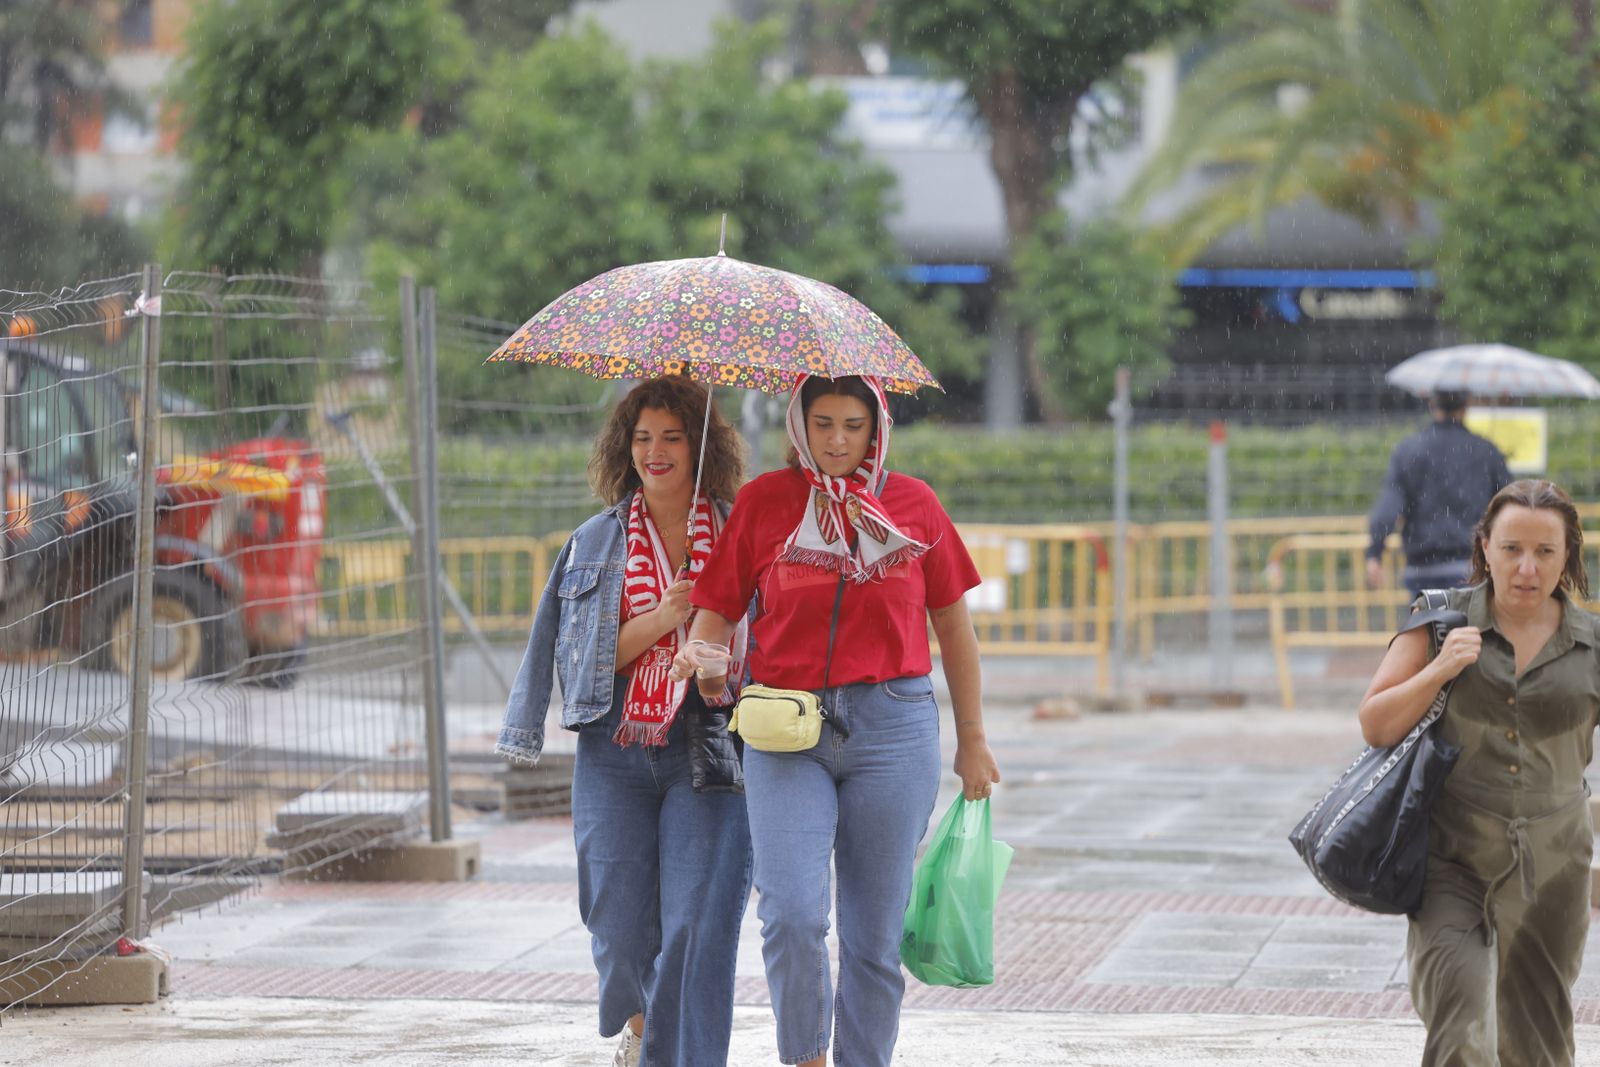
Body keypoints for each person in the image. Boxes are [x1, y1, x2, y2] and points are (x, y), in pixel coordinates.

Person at [670, 373, 1001, 1067]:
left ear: (877, 428)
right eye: (822, 424)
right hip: (785, 729)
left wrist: (972, 738)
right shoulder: (765, 502)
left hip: (895, 729)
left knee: (873, 940)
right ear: (799, 426)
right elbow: (715, 613)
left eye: (854, 425)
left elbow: (954, 628)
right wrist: (703, 658)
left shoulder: (914, 505)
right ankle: (807, 1056)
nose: (838, 441)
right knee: (791, 916)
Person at [496, 375, 753, 1067]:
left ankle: (672, 1057)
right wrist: (667, 617)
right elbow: (581, 663)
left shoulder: (741, 533)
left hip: (708, 741)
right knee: (613, 918)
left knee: (694, 921)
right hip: (615, 747)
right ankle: (642, 1026)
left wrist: (712, 661)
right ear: (625, 446)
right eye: (642, 438)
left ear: (700, 447)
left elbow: (765, 648)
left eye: (672, 437)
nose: (655, 451)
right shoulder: (593, 542)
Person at [1357, 479, 1597, 1066]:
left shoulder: (1592, 645)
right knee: (1461, 1022)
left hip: (1554, 870)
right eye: (1512, 549)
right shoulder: (1442, 619)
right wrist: (1439, 669)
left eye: (1545, 552)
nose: (1527, 568)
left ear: (1568, 555)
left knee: (1537, 1043)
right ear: (1485, 547)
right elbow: (1376, 724)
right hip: (1453, 863)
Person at [1366, 390, 1512, 598]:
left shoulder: (1408, 450)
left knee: (1426, 618)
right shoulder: (1486, 450)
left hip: (1422, 567)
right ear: (1467, 405)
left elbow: (1388, 508)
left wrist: (1375, 553)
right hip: (1471, 565)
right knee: (1470, 619)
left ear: (1431, 404)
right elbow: (1509, 505)